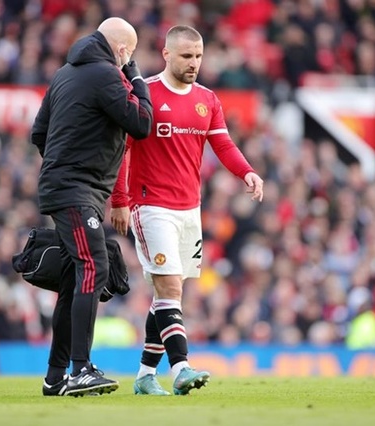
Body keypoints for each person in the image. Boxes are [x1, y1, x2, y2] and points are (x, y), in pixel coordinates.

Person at [110, 25, 264, 396]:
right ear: (166, 55)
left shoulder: (208, 99)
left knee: (168, 295)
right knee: (170, 286)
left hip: (189, 210)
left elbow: (223, 145)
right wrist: (119, 200)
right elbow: (122, 150)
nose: (194, 63)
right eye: (186, 56)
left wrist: (248, 171)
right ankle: (181, 367)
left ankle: (146, 375)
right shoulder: (143, 93)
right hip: (150, 205)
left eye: (198, 56)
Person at [31, 17, 153, 397]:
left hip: (68, 187)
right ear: (121, 51)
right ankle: (81, 369)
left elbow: (39, 132)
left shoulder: (64, 73)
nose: (128, 61)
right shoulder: (107, 75)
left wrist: (62, 162)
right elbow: (142, 123)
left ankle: (55, 376)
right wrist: (136, 78)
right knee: (93, 267)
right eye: (128, 55)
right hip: (75, 191)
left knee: (73, 279)